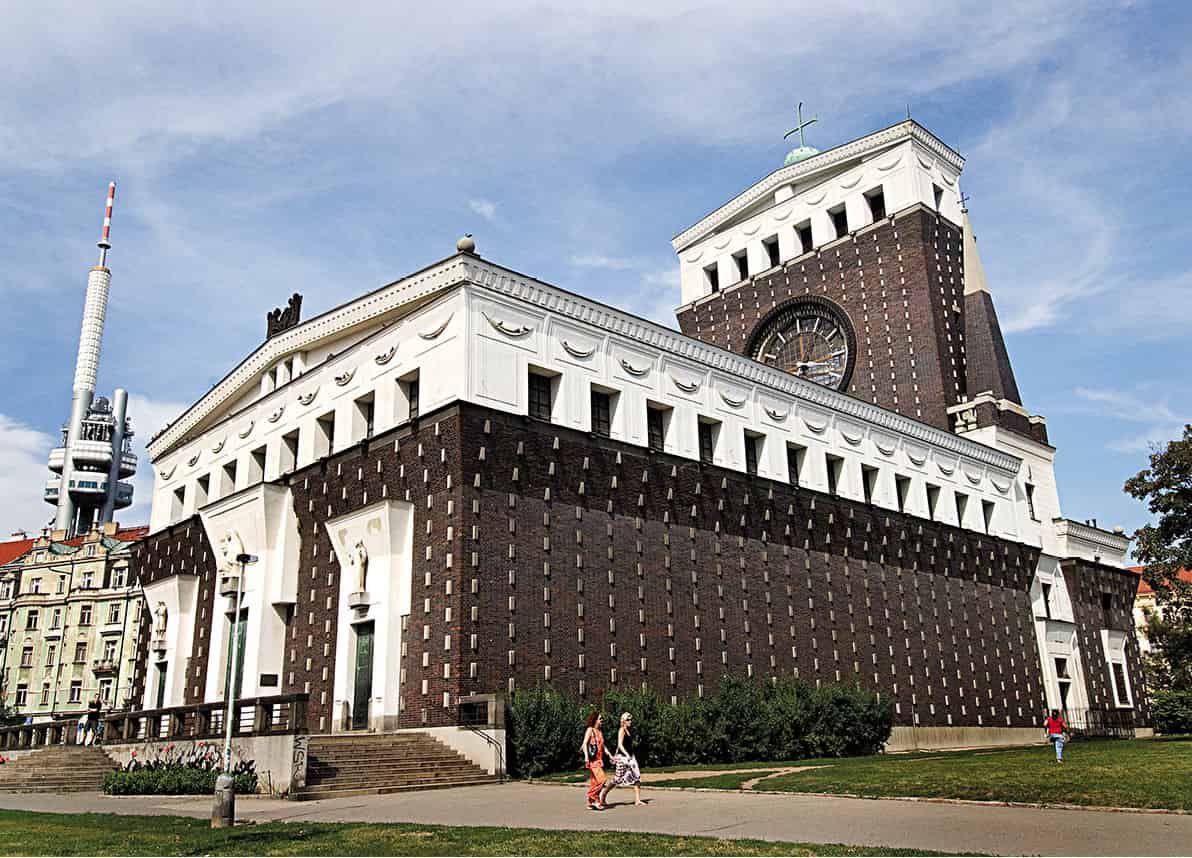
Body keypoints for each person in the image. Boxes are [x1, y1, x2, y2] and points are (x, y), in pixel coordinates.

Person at [600, 711, 644, 807]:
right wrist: (622, 755)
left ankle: (637, 800)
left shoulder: (628, 730)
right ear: (623, 721)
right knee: (617, 779)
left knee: (637, 776)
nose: (630, 721)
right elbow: (619, 744)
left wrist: (628, 755)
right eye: (628, 719)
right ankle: (603, 795)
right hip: (623, 758)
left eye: (631, 719)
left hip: (630, 757)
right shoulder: (621, 730)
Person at [580, 711, 612, 810]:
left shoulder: (599, 732)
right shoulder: (590, 730)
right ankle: (594, 798)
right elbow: (585, 743)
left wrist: (609, 754)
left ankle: (591, 802)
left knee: (594, 782)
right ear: (595, 720)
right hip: (592, 760)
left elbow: (603, 746)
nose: (602, 720)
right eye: (600, 718)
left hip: (599, 760)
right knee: (602, 780)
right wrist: (586, 757)